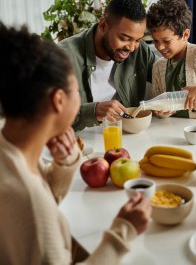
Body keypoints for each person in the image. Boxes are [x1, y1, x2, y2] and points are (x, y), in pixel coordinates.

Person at [0, 23, 151, 265]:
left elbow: (40, 192)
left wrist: (65, 165)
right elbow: (35, 206)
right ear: (58, 100)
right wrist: (122, 231)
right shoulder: (29, 203)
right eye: (75, 91)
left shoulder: (11, 148)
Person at [59, 0, 196, 130]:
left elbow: (169, 73)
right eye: (124, 38)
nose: (131, 47)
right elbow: (46, 116)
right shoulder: (63, 57)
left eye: (137, 40)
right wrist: (93, 112)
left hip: (129, 139)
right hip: (80, 145)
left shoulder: (139, 51)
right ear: (103, 25)